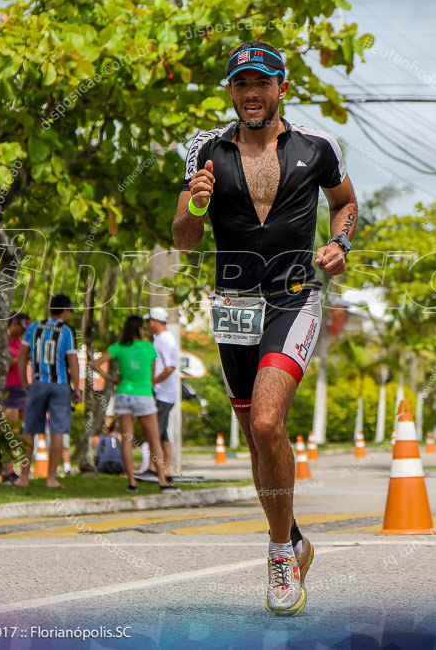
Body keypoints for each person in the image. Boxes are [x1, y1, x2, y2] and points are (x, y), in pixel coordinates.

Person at [172, 41, 358, 616]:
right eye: (240, 84)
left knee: (272, 421)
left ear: (282, 87)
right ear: (230, 91)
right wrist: (196, 207)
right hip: (233, 302)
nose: (250, 94)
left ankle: (279, 553)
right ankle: (296, 538)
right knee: (256, 434)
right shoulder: (204, 150)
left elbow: (346, 204)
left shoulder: (316, 148)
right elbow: (184, 240)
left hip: (292, 296)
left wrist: (340, 242)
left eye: (261, 83)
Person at [91, 315, 178, 494]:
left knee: (127, 440)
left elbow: (95, 364)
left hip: (123, 394)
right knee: (154, 440)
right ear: (140, 329)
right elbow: (151, 375)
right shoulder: (149, 347)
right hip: (144, 395)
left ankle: (132, 482)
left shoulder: (118, 347)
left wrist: (111, 378)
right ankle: (162, 481)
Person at [16, 294, 81, 489]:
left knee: (29, 430)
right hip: (60, 386)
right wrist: (77, 388)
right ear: (65, 311)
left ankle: (24, 477)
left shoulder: (34, 327)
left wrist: (25, 382)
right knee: (58, 430)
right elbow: (73, 362)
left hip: (37, 384)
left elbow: (21, 357)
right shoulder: (67, 331)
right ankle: (51, 479)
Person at [146, 307, 179, 482]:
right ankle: (166, 468)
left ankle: (155, 467)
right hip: (161, 393)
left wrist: (154, 382)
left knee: (156, 431)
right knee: (162, 432)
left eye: (149, 321)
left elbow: (170, 367)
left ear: (155, 322)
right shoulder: (160, 339)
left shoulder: (166, 340)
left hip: (164, 394)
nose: (147, 325)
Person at [0, 312, 30, 484]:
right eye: (21, 328)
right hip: (7, 389)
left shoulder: (20, 342)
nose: (22, 332)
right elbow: (1, 364)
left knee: (22, 431)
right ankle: (7, 470)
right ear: (13, 324)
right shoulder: (3, 341)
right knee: (9, 432)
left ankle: (19, 470)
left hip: (21, 388)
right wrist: (18, 359)